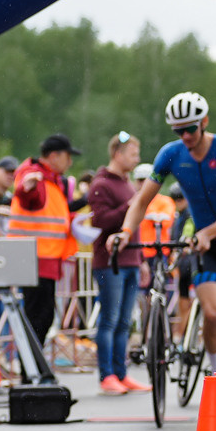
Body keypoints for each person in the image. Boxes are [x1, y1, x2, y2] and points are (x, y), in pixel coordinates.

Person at [110, 92, 216, 379]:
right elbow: (141, 201)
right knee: (213, 313)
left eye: (190, 129)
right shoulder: (171, 154)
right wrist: (126, 232)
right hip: (207, 248)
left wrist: (208, 232)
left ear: (204, 122)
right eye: (179, 131)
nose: (186, 136)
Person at [87, 132, 148, 394]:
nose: (136, 159)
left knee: (124, 322)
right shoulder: (101, 184)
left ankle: (121, 373)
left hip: (130, 259)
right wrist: (130, 205)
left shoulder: (127, 184)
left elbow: (134, 225)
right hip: (110, 262)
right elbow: (100, 221)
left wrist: (141, 259)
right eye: (133, 154)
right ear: (117, 154)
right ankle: (107, 375)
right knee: (109, 320)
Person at [7, 134, 79, 344]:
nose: (70, 162)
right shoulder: (35, 175)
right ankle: (29, 363)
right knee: (38, 317)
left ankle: (32, 362)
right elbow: (26, 194)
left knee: (42, 316)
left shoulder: (50, 180)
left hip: (42, 259)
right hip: (35, 259)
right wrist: (26, 186)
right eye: (67, 156)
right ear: (54, 156)